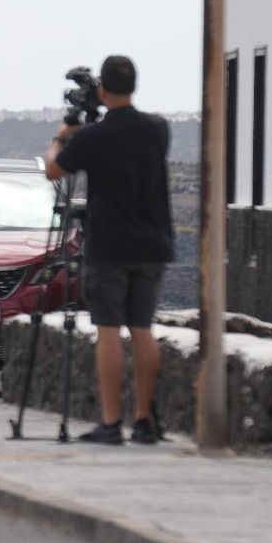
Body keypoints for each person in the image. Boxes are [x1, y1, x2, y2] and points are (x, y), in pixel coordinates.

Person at [45, 55, 175, 445]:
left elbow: (54, 170)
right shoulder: (158, 129)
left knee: (107, 332)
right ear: (134, 84)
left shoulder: (91, 137)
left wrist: (60, 137)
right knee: (142, 329)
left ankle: (110, 421)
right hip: (153, 243)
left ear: (103, 89)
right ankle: (145, 420)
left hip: (109, 244)